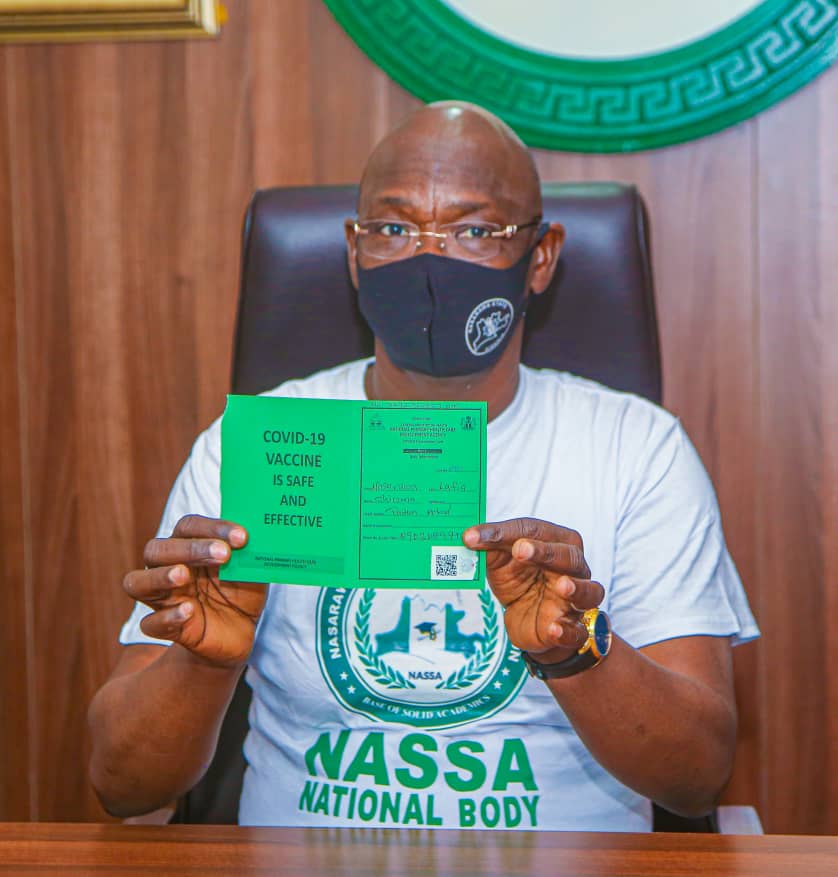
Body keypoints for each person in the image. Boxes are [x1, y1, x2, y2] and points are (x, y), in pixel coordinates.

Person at [88, 102, 758, 832]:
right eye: (393, 229)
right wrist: (203, 663)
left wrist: (577, 652)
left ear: (540, 257)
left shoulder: (637, 448)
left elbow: (697, 775)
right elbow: (123, 786)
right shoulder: (259, 446)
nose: (428, 262)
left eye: (474, 231)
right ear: (354, 252)